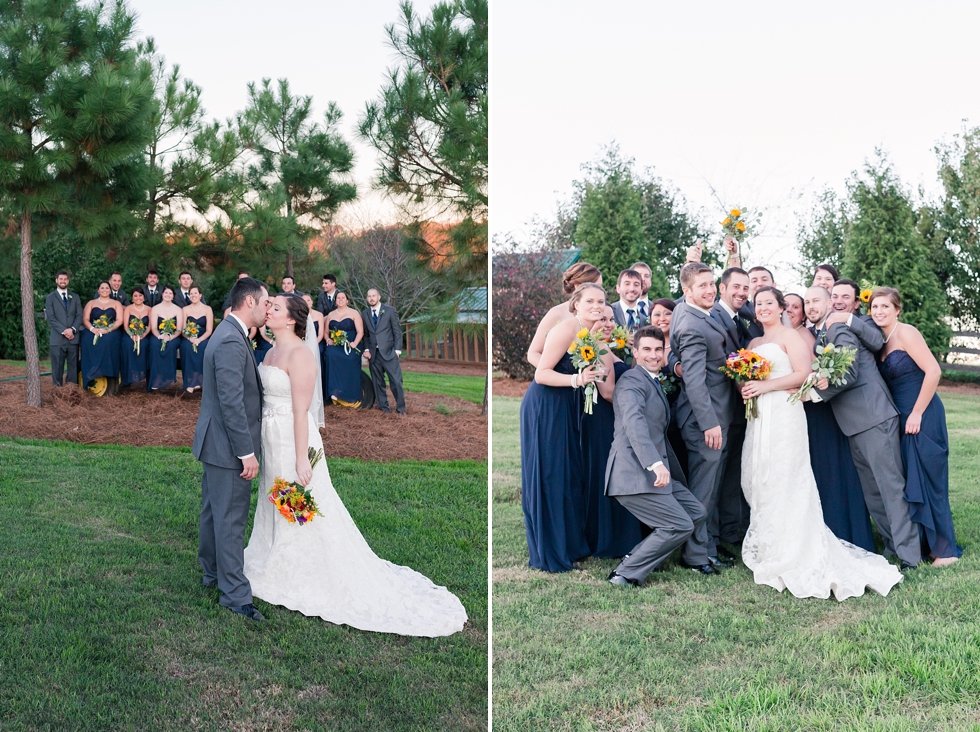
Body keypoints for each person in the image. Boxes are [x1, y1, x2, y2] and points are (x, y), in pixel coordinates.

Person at [243, 294, 467, 635]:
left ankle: (301, 568)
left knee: (299, 504)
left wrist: (302, 458)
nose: (267, 310)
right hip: (271, 439)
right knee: (274, 498)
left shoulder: (301, 354)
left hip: (293, 441)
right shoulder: (270, 350)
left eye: (275, 308)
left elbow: (302, 411)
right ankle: (275, 555)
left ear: (290, 320)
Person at [738, 286, 903, 600]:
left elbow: (803, 374)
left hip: (785, 414)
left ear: (781, 308)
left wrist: (766, 386)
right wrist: (746, 387)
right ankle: (770, 545)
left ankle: (795, 549)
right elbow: (748, 379)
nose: (762, 308)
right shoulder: (755, 342)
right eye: (758, 304)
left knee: (787, 477)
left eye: (768, 303)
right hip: (760, 418)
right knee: (760, 476)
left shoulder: (791, 337)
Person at [811, 280, 922, 571]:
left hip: (873, 416)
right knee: (873, 492)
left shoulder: (846, 327)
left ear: (855, 304)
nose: (837, 301)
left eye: (844, 297)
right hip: (854, 423)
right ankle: (892, 546)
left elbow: (847, 374)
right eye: (833, 296)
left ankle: (911, 555)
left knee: (891, 488)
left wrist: (814, 393)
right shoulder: (826, 330)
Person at [607, 326, 711, 585]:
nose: (653, 355)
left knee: (696, 512)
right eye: (647, 349)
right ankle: (625, 573)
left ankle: (637, 556)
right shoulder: (631, 381)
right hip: (634, 473)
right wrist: (654, 463)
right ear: (635, 352)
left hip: (655, 475)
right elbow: (635, 424)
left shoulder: (651, 381)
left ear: (664, 353)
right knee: (678, 525)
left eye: (658, 349)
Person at [521, 282, 614, 572]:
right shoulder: (566, 329)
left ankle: (571, 544)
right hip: (546, 405)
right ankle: (551, 551)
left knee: (570, 472)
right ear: (576, 304)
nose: (596, 306)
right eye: (590, 301)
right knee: (551, 474)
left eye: (600, 301)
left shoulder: (591, 334)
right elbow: (541, 374)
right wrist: (578, 380)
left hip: (567, 405)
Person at [192, 277, 269, 622]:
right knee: (230, 518)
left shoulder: (229, 334)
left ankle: (212, 573)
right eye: (265, 303)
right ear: (249, 302)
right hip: (228, 446)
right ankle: (236, 595)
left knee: (213, 512)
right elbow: (231, 403)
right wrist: (246, 452)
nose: (268, 309)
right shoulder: (230, 341)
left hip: (216, 442)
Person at [871, 287, 961, 567]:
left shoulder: (906, 333)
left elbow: (934, 371)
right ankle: (925, 543)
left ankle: (944, 551)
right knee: (913, 480)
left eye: (885, 306)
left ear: (897, 309)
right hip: (900, 417)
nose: (879, 312)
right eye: (874, 307)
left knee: (931, 480)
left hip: (922, 413)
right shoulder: (879, 340)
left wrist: (918, 413)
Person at [668, 262, 735, 572]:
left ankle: (708, 547)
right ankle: (695, 556)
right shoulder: (692, 325)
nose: (710, 290)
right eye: (702, 286)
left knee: (711, 487)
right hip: (704, 420)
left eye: (711, 284)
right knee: (703, 491)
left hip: (715, 414)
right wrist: (710, 424)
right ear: (687, 291)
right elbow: (694, 381)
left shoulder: (688, 311)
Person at [799, 286, 875, 551]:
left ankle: (848, 536)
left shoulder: (837, 329)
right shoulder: (818, 332)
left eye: (816, 301)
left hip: (831, 411)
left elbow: (848, 372)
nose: (810, 306)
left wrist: (815, 395)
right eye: (806, 302)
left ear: (829, 302)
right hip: (822, 415)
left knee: (837, 475)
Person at [581, 305, 644, 558]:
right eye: (601, 318)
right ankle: (613, 538)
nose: (607, 323)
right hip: (605, 418)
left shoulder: (604, 347)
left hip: (603, 417)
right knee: (610, 474)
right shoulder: (600, 349)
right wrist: (635, 402)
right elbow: (607, 392)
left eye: (610, 319)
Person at [710, 267, 754, 555]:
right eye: (736, 286)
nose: (741, 292)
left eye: (745, 288)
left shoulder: (747, 320)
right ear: (721, 288)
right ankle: (709, 539)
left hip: (741, 411)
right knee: (712, 477)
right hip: (717, 409)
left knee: (732, 476)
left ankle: (730, 531)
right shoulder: (710, 316)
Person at [526, 262, 603, 368]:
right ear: (578, 286)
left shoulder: (599, 314)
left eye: (600, 287)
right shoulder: (557, 313)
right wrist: (557, 374)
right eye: (595, 286)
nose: (598, 291)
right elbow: (533, 353)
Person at [362, 288, 405, 415]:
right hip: (374, 355)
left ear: (379, 297)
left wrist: (397, 350)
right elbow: (365, 335)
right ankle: (384, 408)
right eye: (369, 296)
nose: (371, 298)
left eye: (373, 296)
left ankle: (401, 409)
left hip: (390, 353)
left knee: (396, 382)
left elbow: (397, 331)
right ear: (367, 298)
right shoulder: (364, 314)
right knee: (377, 382)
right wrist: (366, 349)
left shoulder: (390, 311)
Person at [80, 281, 124, 389]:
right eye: (102, 288)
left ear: (110, 290)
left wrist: (108, 329)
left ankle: (108, 372)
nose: (104, 290)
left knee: (107, 341)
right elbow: (85, 319)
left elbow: (119, 320)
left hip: (111, 331)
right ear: (98, 290)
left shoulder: (116, 303)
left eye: (107, 288)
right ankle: (90, 372)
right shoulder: (91, 303)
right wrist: (92, 328)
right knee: (87, 339)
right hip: (92, 330)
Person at [324, 291, 365, 407]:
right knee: (330, 354)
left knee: (350, 359)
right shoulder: (331, 315)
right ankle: (334, 390)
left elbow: (360, 331)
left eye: (343, 298)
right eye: (338, 298)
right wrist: (328, 340)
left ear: (347, 300)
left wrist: (355, 343)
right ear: (335, 301)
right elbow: (326, 332)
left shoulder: (354, 313)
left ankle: (348, 393)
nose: (340, 300)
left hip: (351, 345)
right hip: (336, 345)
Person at [44, 270, 83, 387]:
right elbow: (51, 318)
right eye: (61, 279)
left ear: (68, 281)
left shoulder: (75, 297)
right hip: (57, 339)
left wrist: (72, 329)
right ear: (56, 280)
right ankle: (57, 393)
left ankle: (71, 394)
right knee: (57, 369)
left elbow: (79, 315)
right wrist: (65, 331)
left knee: (73, 369)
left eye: (65, 279)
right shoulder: (50, 298)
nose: (63, 281)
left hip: (73, 338)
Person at [148, 285, 184, 391]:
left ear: (173, 296)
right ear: (162, 294)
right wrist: (160, 336)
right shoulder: (155, 309)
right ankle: (155, 379)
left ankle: (168, 377)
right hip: (158, 335)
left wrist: (170, 337)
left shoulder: (178, 309)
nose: (168, 295)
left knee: (171, 346)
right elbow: (154, 327)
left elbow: (179, 329)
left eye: (170, 293)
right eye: (166, 293)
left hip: (173, 336)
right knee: (154, 345)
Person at [180, 285, 214, 393]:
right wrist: (190, 337)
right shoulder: (185, 309)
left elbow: (209, 330)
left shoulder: (207, 309)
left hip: (204, 337)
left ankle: (197, 381)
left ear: (200, 295)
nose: (193, 295)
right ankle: (190, 382)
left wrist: (199, 339)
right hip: (189, 337)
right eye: (191, 293)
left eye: (195, 293)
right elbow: (183, 329)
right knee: (186, 347)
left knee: (203, 347)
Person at [120, 288, 151, 387]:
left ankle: (145, 375)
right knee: (127, 344)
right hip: (129, 334)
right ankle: (127, 378)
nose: (138, 298)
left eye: (140, 295)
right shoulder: (128, 308)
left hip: (144, 335)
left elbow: (150, 325)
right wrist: (131, 335)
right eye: (135, 296)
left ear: (144, 297)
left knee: (145, 344)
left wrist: (144, 334)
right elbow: (125, 325)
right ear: (132, 298)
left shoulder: (149, 309)